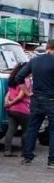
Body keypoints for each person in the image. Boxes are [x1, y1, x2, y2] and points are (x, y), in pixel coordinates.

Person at [17, 39, 54, 167]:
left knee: (32, 128)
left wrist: (27, 92)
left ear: (47, 47)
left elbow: (19, 77)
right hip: (51, 100)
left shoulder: (34, 61)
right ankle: (52, 161)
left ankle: (28, 157)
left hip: (36, 99)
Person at [3, 62, 31, 157]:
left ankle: (7, 150)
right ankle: (25, 152)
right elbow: (20, 97)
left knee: (11, 130)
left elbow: (8, 93)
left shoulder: (12, 79)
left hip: (11, 110)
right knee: (26, 131)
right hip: (23, 109)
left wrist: (7, 103)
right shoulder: (25, 81)